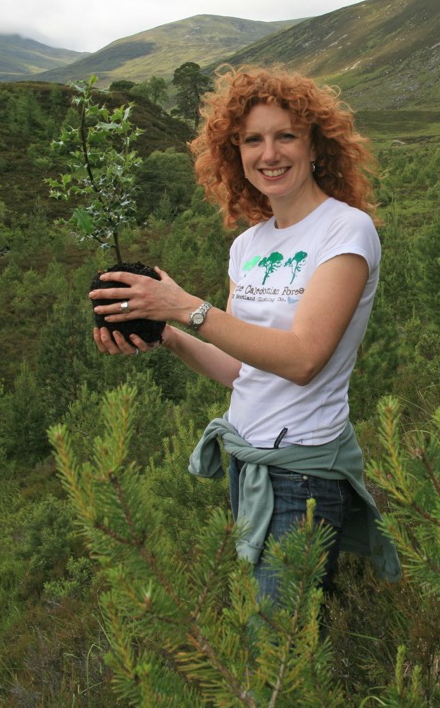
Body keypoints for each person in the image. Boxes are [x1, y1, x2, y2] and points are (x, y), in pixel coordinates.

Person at [89, 65, 400, 601]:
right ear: (234, 154)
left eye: (286, 136)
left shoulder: (345, 231)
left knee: (277, 648)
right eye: (251, 140)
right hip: (247, 464)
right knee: (273, 640)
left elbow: (303, 359)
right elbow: (241, 371)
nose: (269, 154)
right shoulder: (248, 246)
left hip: (301, 472)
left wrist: (187, 308)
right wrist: (168, 332)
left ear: (315, 146)